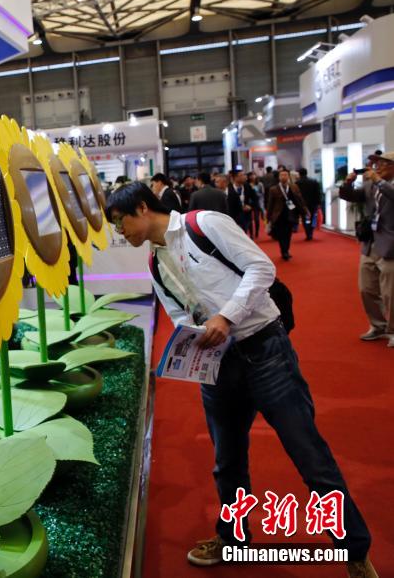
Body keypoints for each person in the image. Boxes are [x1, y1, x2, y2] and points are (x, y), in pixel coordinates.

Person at [105, 182, 374, 578]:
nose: (119, 232)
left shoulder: (204, 225)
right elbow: (179, 315)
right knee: (227, 461)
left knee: (309, 455)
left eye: (120, 222)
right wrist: (191, 341)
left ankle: (355, 553)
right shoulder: (155, 263)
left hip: (265, 351)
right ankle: (233, 538)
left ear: (142, 208)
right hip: (218, 366)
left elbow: (262, 268)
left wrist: (226, 316)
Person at [339, 151, 394, 346]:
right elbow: (349, 196)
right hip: (370, 243)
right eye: (376, 164)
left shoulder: (380, 183)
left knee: (390, 293)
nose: (377, 167)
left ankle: (393, 330)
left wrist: (378, 180)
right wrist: (348, 183)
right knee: (366, 289)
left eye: (382, 164)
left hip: (391, 246)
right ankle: (378, 326)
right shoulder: (371, 185)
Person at [267, 169, 309, 260]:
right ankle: (284, 251)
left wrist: (305, 210)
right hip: (279, 215)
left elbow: (300, 200)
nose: (284, 177)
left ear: (288, 176)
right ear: (279, 177)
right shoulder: (273, 189)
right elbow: (270, 204)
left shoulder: (294, 187)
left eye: (285, 175)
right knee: (281, 234)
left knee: (288, 233)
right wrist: (269, 216)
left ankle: (286, 249)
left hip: (291, 213)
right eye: (282, 175)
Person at [225, 170, 257, 235]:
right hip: (233, 215)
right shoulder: (228, 188)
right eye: (241, 175)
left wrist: (250, 206)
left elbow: (255, 198)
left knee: (244, 233)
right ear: (235, 178)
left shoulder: (247, 186)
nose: (244, 177)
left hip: (245, 215)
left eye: (244, 175)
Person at [296, 168, 323, 241]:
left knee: (304, 218)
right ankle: (311, 231)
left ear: (299, 174)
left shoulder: (297, 183)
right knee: (312, 217)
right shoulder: (313, 181)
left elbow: (296, 195)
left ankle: (308, 233)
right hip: (313, 203)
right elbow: (318, 193)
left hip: (302, 204)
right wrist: (318, 203)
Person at [247, 173, 265, 238]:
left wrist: (256, 194)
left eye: (253, 175)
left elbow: (262, 193)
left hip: (257, 202)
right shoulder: (247, 184)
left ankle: (257, 231)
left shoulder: (259, 184)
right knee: (249, 219)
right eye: (251, 175)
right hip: (249, 203)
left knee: (257, 218)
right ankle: (251, 233)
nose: (252, 177)